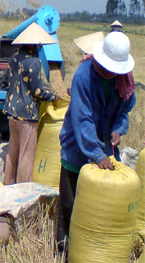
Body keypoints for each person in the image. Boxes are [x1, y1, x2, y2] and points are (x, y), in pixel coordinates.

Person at [56, 31, 136, 257]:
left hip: (105, 148)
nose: (107, 72)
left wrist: (117, 130)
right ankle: (65, 251)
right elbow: (82, 119)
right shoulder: (83, 75)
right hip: (77, 148)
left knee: (103, 207)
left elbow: (123, 112)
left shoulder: (124, 81)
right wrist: (96, 154)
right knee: (70, 205)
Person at [2, 22, 59, 185]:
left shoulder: (14, 58)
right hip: (27, 115)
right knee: (26, 154)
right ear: (34, 44)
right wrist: (54, 97)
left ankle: (8, 184)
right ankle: (22, 190)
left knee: (12, 151)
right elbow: (38, 92)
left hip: (12, 111)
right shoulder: (34, 62)